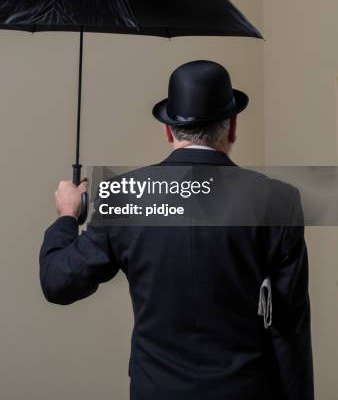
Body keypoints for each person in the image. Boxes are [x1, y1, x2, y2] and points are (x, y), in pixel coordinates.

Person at [39, 60, 313, 400]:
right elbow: (289, 330)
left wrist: (67, 215)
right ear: (232, 127)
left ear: (168, 130)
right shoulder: (278, 201)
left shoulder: (125, 197)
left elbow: (58, 282)